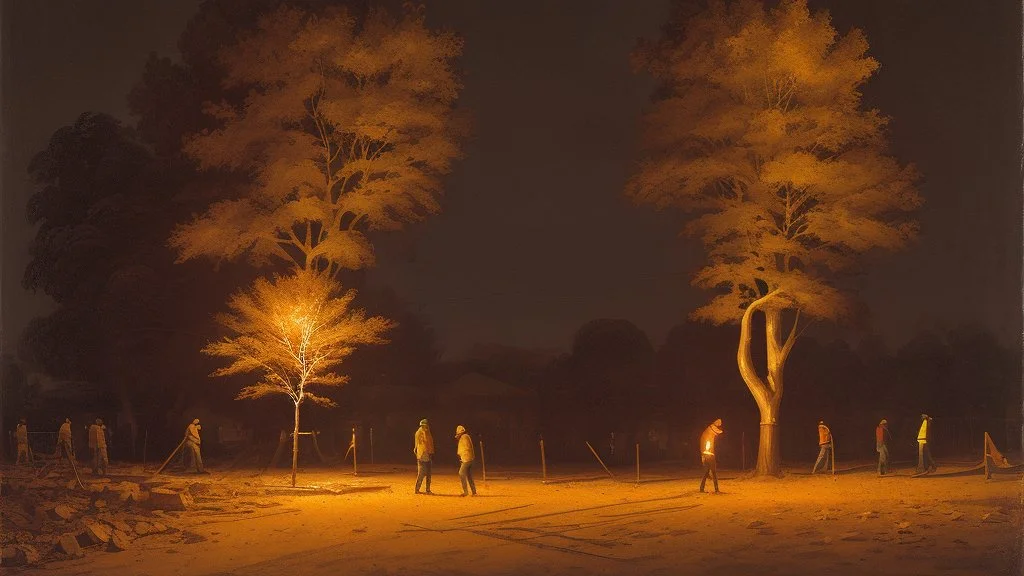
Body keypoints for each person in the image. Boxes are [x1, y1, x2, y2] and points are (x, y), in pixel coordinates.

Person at [699, 418, 723, 494]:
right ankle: (716, 489)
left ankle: (701, 488)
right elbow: (719, 431)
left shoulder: (707, 432)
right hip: (710, 455)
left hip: (706, 454)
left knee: (706, 472)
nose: (720, 424)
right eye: (719, 422)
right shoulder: (711, 428)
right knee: (714, 472)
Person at [413, 419, 435, 494]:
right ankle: (417, 489)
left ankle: (428, 490)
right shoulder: (419, 433)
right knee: (421, 474)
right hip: (421, 457)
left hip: (428, 456)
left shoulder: (428, 433)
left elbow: (430, 444)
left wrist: (431, 453)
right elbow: (419, 445)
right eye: (423, 426)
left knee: (429, 474)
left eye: (425, 426)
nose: (424, 427)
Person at [455, 425, 477, 497]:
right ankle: (474, 492)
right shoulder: (466, 436)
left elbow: (466, 448)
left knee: (461, 473)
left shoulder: (464, 437)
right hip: (468, 458)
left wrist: (463, 456)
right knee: (469, 475)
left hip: (466, 459)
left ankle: (466, 492)